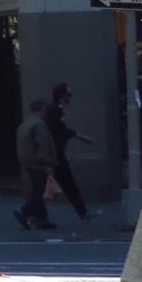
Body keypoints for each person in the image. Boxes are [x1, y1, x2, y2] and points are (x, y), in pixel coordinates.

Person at [44, 83, 95, 221]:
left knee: (48, 184)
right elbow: (60, 129)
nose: (70, 98)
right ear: (62, 95)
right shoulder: (56, 110)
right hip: (56, 153)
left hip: (54, 152)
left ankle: (33, 213)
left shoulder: (54, 109)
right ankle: (82, 212)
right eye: (69, 94)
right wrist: (82, 138)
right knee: (67, 183)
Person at [15, 97, 58, 230]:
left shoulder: (26, 123)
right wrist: (48, 164)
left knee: (38, 188)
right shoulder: (39, 125)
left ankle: (41, 218)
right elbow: (43, 146)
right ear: (42, 109)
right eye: (45, 108)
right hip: (38, 162)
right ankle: (24, 211)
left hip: (27, 161)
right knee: (40, 190)